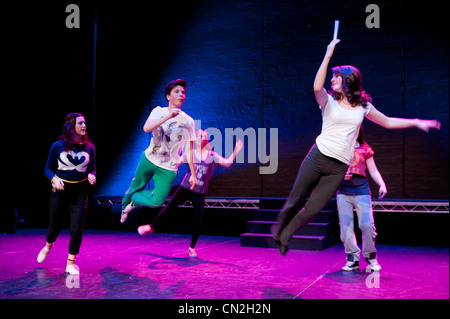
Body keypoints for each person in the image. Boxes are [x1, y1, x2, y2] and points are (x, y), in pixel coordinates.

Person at [271, 39, 441, 256]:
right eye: (332, 76)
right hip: (318, 156)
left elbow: (387, 122)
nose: (332, 79)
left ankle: (284, 236)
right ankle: (278, 230)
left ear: (348, 80)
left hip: (338, 167)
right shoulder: (328, 101)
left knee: (313, 208)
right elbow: (316, 86)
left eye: (336, 76)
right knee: (296, 199)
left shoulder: (363, 106)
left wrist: (416, 122)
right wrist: (328, 54)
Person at [137, 129, 243, 257]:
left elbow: (227, 163)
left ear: (206, 140)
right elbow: (175, 165)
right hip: (186, 188)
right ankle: (151, 227)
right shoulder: (190, 153)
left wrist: (236, 150)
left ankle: (192, 247)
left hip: (199, 193)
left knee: (198, 221)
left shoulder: (211, 156)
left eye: (202, 136)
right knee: (169, 209)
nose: (199, 137)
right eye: (197, 135)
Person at [120, 79, 197, 223]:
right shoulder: (158, 111)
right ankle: (125, 206)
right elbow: (146, 128)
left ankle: (133, 201)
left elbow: (189, 150)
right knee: (135, 187)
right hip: (149, 159)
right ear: (168, 96)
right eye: (177, 92)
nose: (181, 95)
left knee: (158, 201)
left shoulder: (189, 122)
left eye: (183, 92)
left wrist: (192, 173)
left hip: (168, 167)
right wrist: (169, 116)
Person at [38, 113, 97, 276]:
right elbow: (47, 169)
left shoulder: (89, 148)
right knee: (54, 228)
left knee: (77, 229)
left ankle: (70, 263)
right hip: (60, 191)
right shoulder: (57, 146)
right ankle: (48, 245)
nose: (84, 126)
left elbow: (93, 168)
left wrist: (92, 176)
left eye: (85, 123)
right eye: (80, 123)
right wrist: (53, 179)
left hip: (80, 192)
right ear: (72, 127)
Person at [337, 126, 386, 271]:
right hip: (343, 191)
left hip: (362, 190)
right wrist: (341, 176)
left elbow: (373, 170)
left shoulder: (365, 148)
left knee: (367, 225)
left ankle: (371, 256)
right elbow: (332, 171)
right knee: (345, 227)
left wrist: (382, 184)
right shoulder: (339, 149)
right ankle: (352, 257)